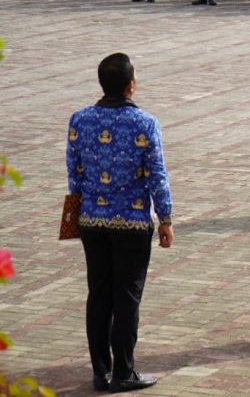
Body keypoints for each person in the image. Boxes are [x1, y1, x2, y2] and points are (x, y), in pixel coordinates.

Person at [67, 53, 173, 392]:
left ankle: (101, 371)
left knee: (99, 294)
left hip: (91, 221)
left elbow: (74, 173)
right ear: (131, 85)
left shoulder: (79, 120)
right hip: (131, 222)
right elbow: (157, 175)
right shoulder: (145, 123)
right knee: (127, 297)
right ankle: (124, 370)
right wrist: (166, 217)